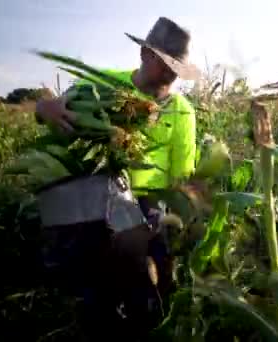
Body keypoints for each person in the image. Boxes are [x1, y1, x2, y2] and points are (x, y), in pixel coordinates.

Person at [34, 17, 200, 341]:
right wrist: (45, 107)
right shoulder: (103, 85)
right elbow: (50, 110)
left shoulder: (182, 111)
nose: (170, 74)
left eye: (176, 67)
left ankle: (145, 314)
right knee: (94, 274)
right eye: (165, 63)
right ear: (144, 54)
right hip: (94, 191)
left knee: (142, 257)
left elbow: (181, 177)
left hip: (148, 200)